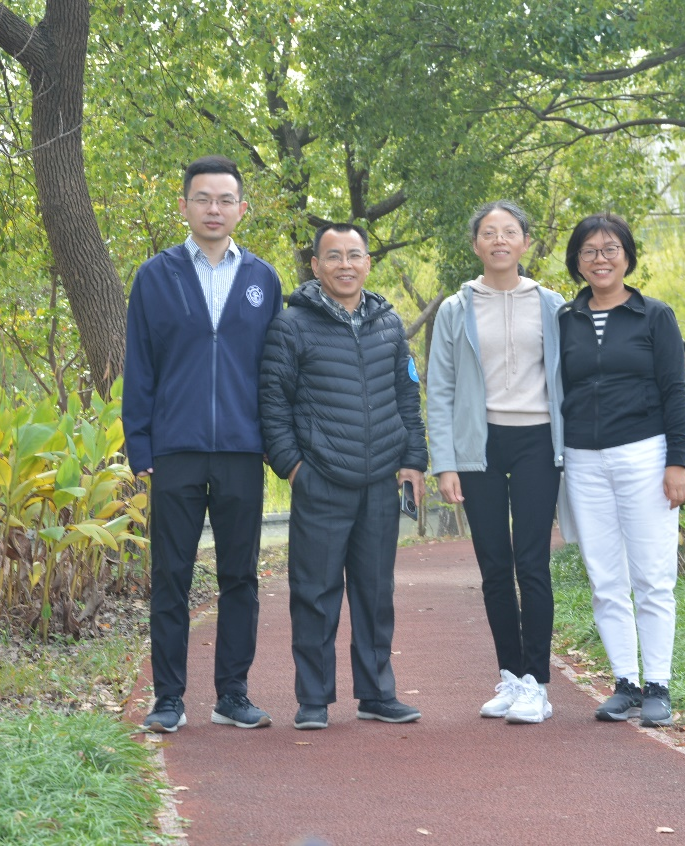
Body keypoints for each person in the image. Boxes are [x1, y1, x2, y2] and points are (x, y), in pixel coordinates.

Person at [124, 155, 283, 733]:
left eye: (225, 200)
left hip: (243, 449)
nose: (214, 209)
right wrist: (141, 448)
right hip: (175, 450)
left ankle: (232, 695)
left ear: (242, 208)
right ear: (185, 205)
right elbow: (139, 367)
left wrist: (274, 441)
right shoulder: (155, 276)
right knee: (171, 576)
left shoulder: (264, 279)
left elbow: (275, 370)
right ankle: (168, 698)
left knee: (240, 577)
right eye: (203, 199)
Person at [260, 222, 428, 730]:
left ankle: (377, 694)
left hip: (380, 480)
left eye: (354, 255)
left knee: (376, 593)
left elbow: (407, 396)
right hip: (322, 480)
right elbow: (272, 405)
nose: (345, 265)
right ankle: (313, 699)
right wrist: (294, 469)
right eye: (333, 256)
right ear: (316, 266)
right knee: (315, 593)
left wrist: (413, 460)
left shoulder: (389, 323)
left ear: (368, 263)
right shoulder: (291, 325)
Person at [426, 200, 564, 725]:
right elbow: (440, 387)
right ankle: (510, 675)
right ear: (476, 244)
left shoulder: (552, 305)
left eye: (510, 232)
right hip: (477, 445)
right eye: (489, 232)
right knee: (493, 566)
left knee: (532, 562)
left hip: (537, 441)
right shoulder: (455, 308)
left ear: (525, 242)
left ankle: (537, 683)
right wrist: (445, 462)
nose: (499, 240)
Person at [558, 212, 685, 728]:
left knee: (653, 576)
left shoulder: (654, 315)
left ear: (627, 257)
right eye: (589, 251)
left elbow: (674, 392)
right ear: (577, 261)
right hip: (584, 460)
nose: (600, 259)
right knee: (605, 577)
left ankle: (658, 684)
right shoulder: (565, 320)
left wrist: (676, 462)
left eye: (610, 249)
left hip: (645, 454)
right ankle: (625, 683)